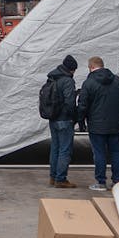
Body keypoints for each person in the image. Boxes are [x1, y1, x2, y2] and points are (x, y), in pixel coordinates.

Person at [78, 56, 119, 192]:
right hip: (114, 124)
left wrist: (81, 121)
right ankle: (117, 180)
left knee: (99, 153)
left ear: (91, 67)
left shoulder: (89, 83)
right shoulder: (118, 81)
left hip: (96, 125)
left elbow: (83, 105)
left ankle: (101, 182)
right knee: (115, 152)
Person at [44, 55, 79, 189]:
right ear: (71, 69)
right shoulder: (67, 81)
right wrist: (74, 117)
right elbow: (70, 102)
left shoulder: (52, 78)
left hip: (53, 118)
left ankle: (53, 177)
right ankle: (61, 179)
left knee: (55, 148)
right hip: (64, 119)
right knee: (65, 150)